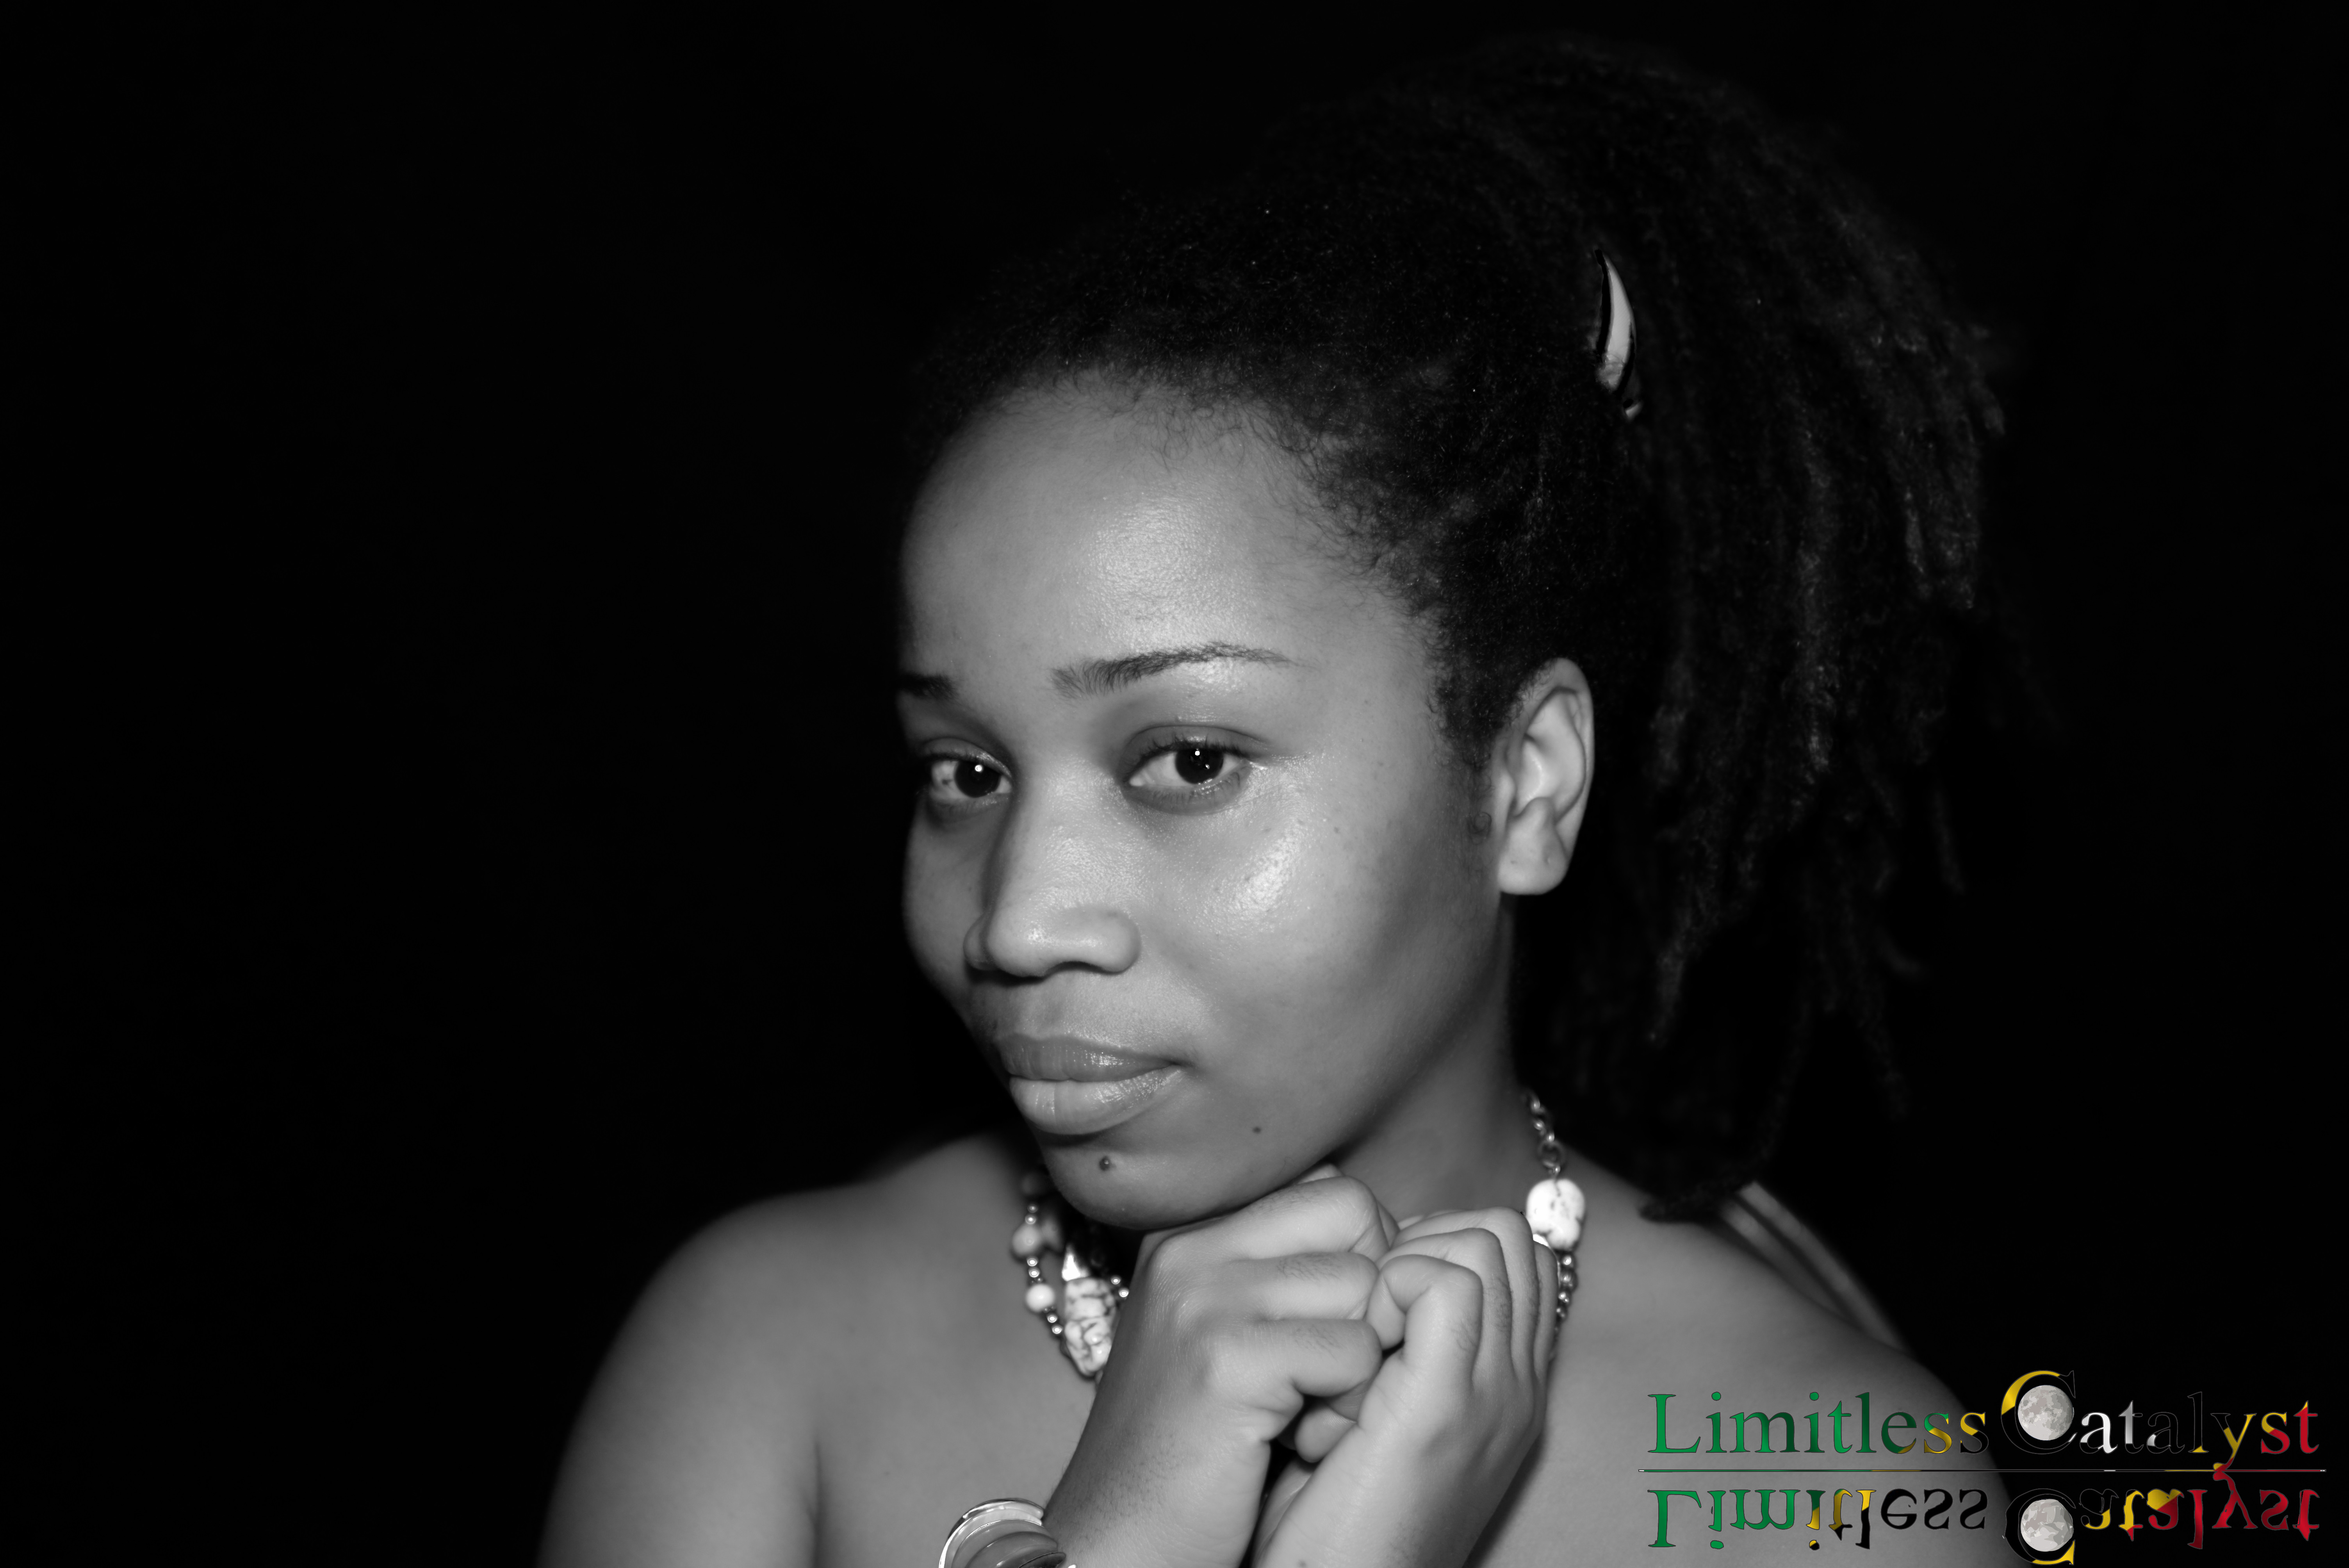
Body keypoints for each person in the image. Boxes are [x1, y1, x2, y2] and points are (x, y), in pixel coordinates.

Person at [542, 35, 2009, 1568]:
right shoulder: (767, 1357)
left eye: (1189, 760)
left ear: (1526, 782)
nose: (1018, 921)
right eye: (966, 774)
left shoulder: (1842, 1494)